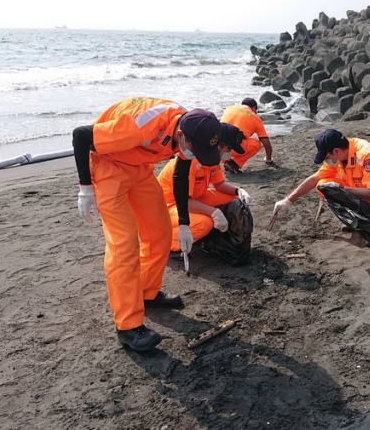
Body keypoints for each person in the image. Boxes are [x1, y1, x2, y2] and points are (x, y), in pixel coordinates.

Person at [71, 97, 241, 352]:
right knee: (124, 244)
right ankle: (127, 326)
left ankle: (146, 293)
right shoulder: (139, 126)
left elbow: (181, 173)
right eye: (195, 150)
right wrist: (85, 188)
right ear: (181, 134)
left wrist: (183, 223)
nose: (194, 155)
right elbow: (81, 136)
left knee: (160, 232)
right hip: (108, 168)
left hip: (139, 169)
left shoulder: (195, 127)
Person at [272, 128, 370, 266]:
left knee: (347, 195)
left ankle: (367, 234)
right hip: (365, 190)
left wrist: (342, 190)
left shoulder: (366, 155)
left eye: (327, 156)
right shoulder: (341, 154)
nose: (327, 160)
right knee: (323, 186)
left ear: (336, 151)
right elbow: (315, 179)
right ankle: (358, 225)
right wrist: (288, 200)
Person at [157, 124, 252, 253]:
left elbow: (219, 184)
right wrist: (213, 212)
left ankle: (205, 232)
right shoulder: (192, 161)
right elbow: (184, 201)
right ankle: (166, 242)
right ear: (218, 146)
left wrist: (238, 190)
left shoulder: (211, 159)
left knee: (235, 199)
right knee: (204, 224)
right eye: (228, 149)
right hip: (169, 206)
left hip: (195, 197)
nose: (229, 154)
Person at [219, 97, 274, 173]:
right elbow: (266, 143)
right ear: (254, 108)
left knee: (227, 138)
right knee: (256, 144)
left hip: (218, 146)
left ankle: (225, 159)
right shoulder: (255, 118)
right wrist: (269, 159)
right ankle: (234, 163)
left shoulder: (229, 109)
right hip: (233, 148)